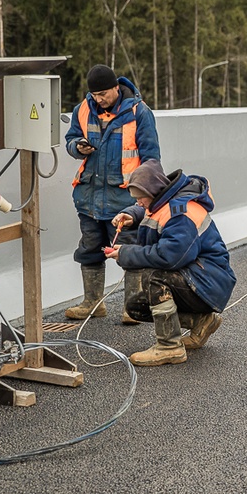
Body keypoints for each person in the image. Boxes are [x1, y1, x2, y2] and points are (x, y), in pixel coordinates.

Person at [105, 160, 236, 366]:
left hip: (210, 283)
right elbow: (153, 211)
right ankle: (202, 322)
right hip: (201, 278)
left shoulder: (180, 213)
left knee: (155, 276)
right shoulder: (165, 199)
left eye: (140, 199)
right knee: (136, 307)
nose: (139, 203)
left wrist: (126, 253)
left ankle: (169, 347)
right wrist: (132, 214)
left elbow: (170, 257)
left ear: (154, 192)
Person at [64, 64, 162, 324]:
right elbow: (71, 138)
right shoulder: (83, 110)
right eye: (95, 95)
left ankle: (134, 308)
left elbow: (151, 158)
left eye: (104, 94)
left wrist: (146, 198)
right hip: (89, 196)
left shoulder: (139, 113)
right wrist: (77, 147)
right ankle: (93, 304)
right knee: (90, 249)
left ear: (116, 88)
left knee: (129, 251)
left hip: (124, 200)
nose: (99, 100)